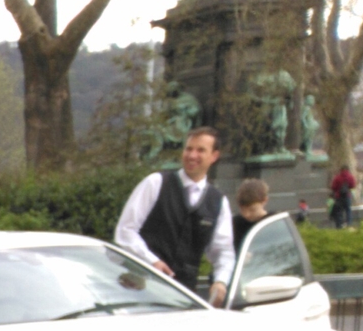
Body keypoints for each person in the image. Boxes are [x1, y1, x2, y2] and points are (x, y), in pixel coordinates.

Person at [113, 126, 234, 305]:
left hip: (183, 298)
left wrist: (221, 282)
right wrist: (152, 262)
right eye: (189, 148)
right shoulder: (156, 183)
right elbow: (125, 231)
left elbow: (223, 251)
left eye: (200, 150)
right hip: (139, 291)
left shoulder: (218, 202)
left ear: (214, 156)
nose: (192, 155)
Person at [233, 178, 270, 247]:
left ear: (264, 201)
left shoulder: (272, 223)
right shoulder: (235, 223)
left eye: (252, 210)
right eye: (242, 209)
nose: (246, 215)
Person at [331, 163, 358, 228]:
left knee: (339, 211)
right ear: (348, 169)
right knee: (348, 210)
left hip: (339, 196)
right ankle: (349, 224)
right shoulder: (350, 177)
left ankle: (339, 225)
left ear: (341, 170)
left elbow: (333, 187)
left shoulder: (337, 177)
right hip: (347, 196)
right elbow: (353, 185)